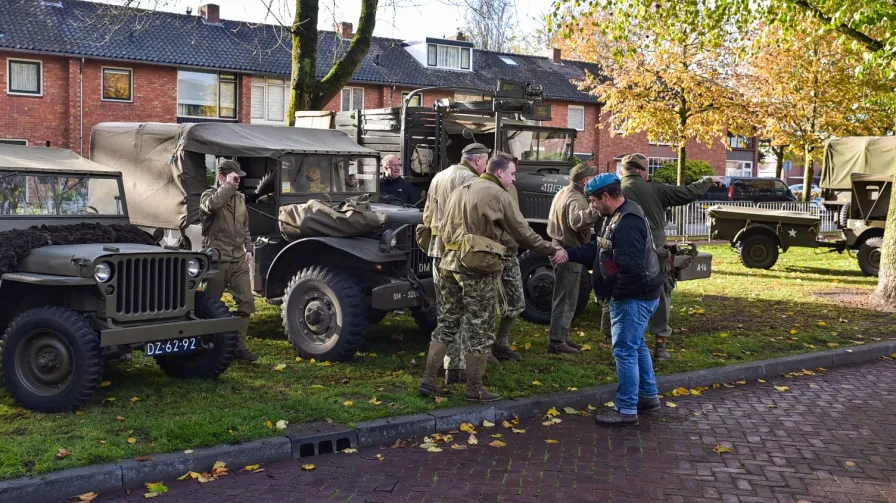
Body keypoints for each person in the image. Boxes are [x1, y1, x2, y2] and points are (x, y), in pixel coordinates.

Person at [420, 153, 566, 402]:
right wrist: (553, 249)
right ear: (499, 173)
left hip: (448, 263)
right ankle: (474, 389)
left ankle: (429, 380)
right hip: (476, 266)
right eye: (511, 174)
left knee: (446, 324)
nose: (513, 180)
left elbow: (443, 226)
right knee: (481, 328)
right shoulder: (499, 194)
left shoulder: (462, 189)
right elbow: (524, 233)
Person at [553, 173, 662, 426]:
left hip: (633, 297)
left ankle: (625, 409)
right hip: (639, 294)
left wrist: (616, 296)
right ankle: (648, 397)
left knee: (624, 350)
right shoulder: (615, 216)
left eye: (593, 200)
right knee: (636, 346)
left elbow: (632, 269)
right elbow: (600, 247)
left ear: (606, 196)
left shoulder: (627, 223)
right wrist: (568, 255)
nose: (591, 205)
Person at [613, 153, 713, 360]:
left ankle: (618, 339)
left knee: (621, 289)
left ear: (623, 170)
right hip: (655, 249)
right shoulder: (655, 189)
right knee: (661, 290)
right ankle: (660, 345)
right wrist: (706, 181)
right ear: (641, 171)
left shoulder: (614, 190)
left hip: (624, 246)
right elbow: (687, 194)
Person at [419, 143, 491, 386]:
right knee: (468, 309)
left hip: (437, 246)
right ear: (478, 160)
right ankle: (458, 368)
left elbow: (427, 214)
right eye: (485, 161)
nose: (486, 167)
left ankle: (440, 369)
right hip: (460, 247)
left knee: (447, 309)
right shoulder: (470, 180)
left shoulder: (439, 176)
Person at [200, 158, 258, 362]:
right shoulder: (209, 196)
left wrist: (249, 248)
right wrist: (226, 186)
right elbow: (212, 206)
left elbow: (245, 227)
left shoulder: (240, 199)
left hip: (238, 259)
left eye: (238, 178)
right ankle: (208, 346)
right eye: (234, 178)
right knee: (210, 305)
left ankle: (239, 347)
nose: (238, 182)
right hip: (218, 260)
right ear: (221, 177)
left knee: (246, 303)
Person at [546, 164, 602, 354]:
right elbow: (577, 222)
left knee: (564, 296)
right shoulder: (576, 198)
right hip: (568, 251)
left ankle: (561, 336)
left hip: (559, 247)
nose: (594, 180)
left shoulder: (564, 191)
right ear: (585, 181)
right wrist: (595, 209)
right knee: (566, 298)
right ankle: (557, 341)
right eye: (592, 178)